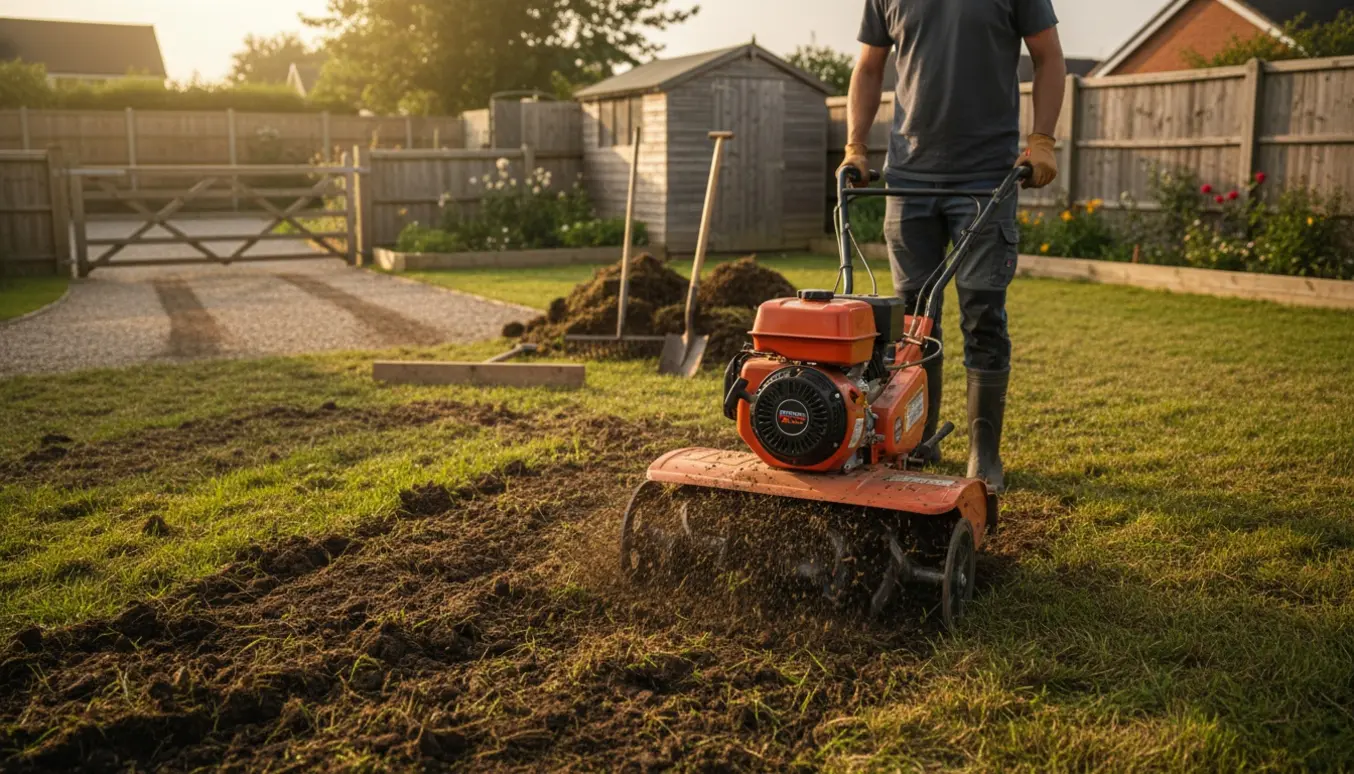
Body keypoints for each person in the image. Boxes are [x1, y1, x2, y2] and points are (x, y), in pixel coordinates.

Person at [839, 0, 1066, 493]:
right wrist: (856, 145)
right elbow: (869, 66)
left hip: (987, 180)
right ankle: (918, 438)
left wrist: (1043, 139)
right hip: (909, 177)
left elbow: (1048, 56)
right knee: (913, 321)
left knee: (983, 313)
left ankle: (984, 453)